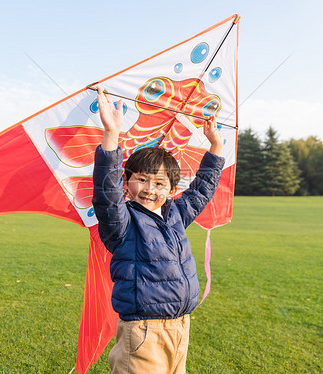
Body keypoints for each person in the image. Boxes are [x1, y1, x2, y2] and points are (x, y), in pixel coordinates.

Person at [92, 86, 225, 373]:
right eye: (141, 179)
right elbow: (106, 192)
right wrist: (112, 134)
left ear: (172, 188)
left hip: (179, 326)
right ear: (127, 181)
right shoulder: (122, 221)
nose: (149, 189)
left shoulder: (176, 213)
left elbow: (203, 188)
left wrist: (215, 146)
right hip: (142, 332)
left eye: (160, 183)